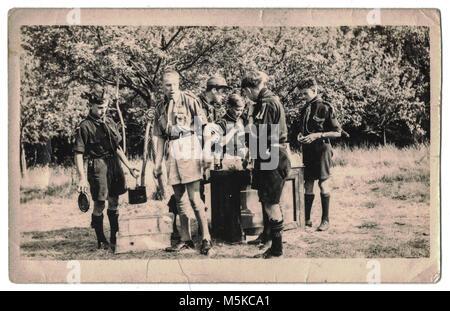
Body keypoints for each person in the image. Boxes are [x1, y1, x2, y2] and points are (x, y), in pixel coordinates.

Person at [152, 70, 213, 255]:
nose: (171, 89)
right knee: (179, 197)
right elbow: (160, 137)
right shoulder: (160, 107)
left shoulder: (190, 100)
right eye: (167, 85)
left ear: (179, 84)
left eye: (174, 85)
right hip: (172, 148)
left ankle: (206, 238)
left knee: (194, 197)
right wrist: (157, 162)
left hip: (189, 145)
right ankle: (186, 239)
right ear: (162, 86)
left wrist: (206, 152)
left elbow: (205, 128)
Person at [73, 86, 139, 252]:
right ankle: (101, 239)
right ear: (91, 105)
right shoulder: (84, 126)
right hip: (97, 166)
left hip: (114, 165)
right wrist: (82, 177)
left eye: (105, 107)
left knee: (115, 201)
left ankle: (114, 237)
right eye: (99, 107)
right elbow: (79, 154)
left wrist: (129, 166)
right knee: (100, 203)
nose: (102, 111)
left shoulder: (109, 122)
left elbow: (117, 147)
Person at [241, 70, 291, 259]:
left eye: (246, 93)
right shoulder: (264, 101)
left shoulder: (267, 103)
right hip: (268, 153)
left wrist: (252, 115)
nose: (246, 97)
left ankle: (277, 249)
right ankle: (273, 243)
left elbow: (260, 135)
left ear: (248, 89)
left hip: (272, 154)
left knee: (271, 203)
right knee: (269, 201)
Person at [297, 77, 341, 232]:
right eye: (302, 94)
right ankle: (306, 219)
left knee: (323, 184)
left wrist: (318, 135)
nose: (303, 97)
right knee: (307, 183)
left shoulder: (325, 107)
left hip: (322, 150)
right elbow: (303, 129)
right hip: (308, 151)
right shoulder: (304, 109)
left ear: (314, 90)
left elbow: (337, 133)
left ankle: (325, 220)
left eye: (305, 94)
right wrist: (299, 136)